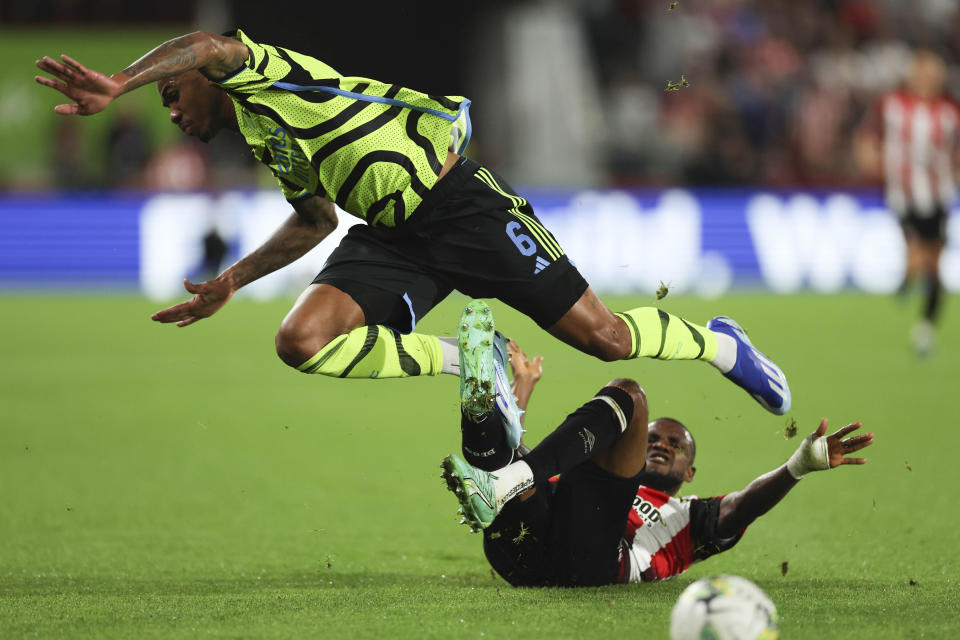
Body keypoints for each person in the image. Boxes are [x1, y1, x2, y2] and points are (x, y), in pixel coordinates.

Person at [35, 30, 790, 453]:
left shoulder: (267, 79)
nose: (170, 109)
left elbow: (202, 43)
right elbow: (316, 220)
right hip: (396, 236)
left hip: (462, 205)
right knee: (300, 340)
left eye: (172, 94)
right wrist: (233, 278)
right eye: (160, 98)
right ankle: (478, 361)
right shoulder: (268, 139)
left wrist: (120, 82)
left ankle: (721, 344)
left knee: (607, 340)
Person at [442, 308, 873, 586]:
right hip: (518, 550)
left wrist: (801, 463)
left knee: (630, 396)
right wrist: (523, 389)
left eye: (676, 444)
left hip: (594, 562)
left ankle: (490, 428)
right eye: (654, 439)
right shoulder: (590, 471)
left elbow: (743, 507)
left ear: (691, 474)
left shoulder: (689, 519)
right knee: (509, 471)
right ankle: (484, 409)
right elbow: (532, 474)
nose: (662, 445)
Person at [856, 48, 959, 356]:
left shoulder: (949, 111)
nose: (928, 78)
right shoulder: (892, 105)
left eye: (933, 73)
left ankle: (925, 329)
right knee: (918, 257)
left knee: (934, 267)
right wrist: (868, 158)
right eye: (922, 71)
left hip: (939, 194)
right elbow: (868, 136)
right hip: (903, 196)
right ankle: (907, 276)